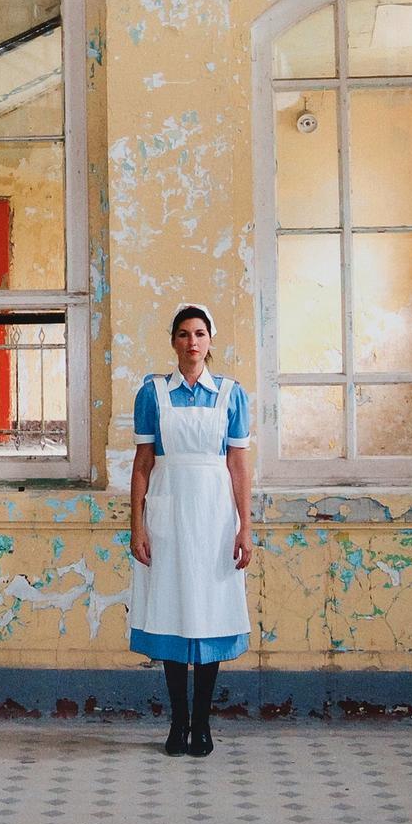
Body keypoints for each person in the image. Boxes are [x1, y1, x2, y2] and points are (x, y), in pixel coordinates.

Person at [128, 303, 253, 757]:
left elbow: (238, 465)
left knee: (210, 611)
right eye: (183, 334)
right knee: (173, 611)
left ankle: (203, 723)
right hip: (169, 513)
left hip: (215, 516)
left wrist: (245, 527)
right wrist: (137, 525)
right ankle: (178, 722)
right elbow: (142, 465)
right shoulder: (153, 394)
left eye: (200, 333)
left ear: (211, 341)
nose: (192, 342)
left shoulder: (231, 395)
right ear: (173, 341)